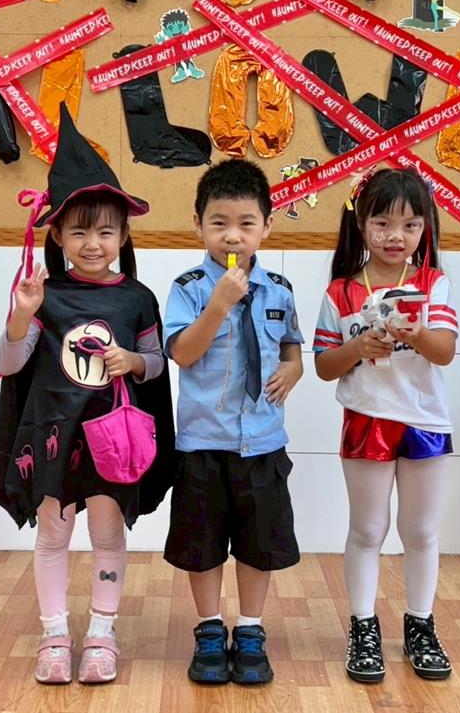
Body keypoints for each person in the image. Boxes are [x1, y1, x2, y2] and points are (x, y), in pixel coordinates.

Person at [0, 105, 176, 686]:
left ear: (124, 234)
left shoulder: (137, 299)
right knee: (52, 534)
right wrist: (21, 315)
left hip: (111, 440)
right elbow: (7, 364)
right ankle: (54, 634)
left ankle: (102, 632)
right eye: (79, 231)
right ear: (57, 234)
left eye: (105, 231)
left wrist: (134, 362)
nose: (93, 243)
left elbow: (157, 364)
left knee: (107, 534)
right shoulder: (42, 295)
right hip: (53, 439)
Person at [313, 168, 458, 684]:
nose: (396, 236)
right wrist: (357, 346)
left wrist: (414, 334)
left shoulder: (432, 283)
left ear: (425, 228)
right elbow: (324, 365)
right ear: (361, 223)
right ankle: (363, 627)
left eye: (411, 225)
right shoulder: (340, 292)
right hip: (365, 419)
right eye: (383, 223)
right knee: (367, 530)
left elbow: (445, 352)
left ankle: (421, 625)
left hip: (425, 422)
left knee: (420, 531)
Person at [163, 158, 304, 685]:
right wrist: (219, 305)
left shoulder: (280, 289)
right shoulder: (189, 287)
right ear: (198, 225)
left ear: (267, 226)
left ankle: (249, 629)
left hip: (262, 442)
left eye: (246, 223)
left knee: (257, 543)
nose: (232, 235)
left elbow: (292, 348)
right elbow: (183, 353)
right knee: (202, 546)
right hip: (203, 442)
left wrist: (294, 368)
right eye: (219, 222)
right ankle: (207, 629)